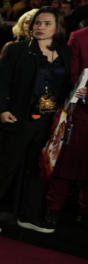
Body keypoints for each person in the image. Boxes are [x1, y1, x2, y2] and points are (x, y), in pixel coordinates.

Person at [0, 7, 73, 234]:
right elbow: (0, 82)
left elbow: (64, 85)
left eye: (46, 23)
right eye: (38, 23)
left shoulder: (65, 52)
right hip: (18, 116)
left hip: (47, 120)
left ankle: (28, 215)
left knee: (37, 170)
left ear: (57, 27)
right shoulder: (18, 50)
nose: (40, 27)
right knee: (6, 167)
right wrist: (2, 110)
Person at [45, 25, 88, 227]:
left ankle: (84, 209)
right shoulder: (79, 37)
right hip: (79, 110)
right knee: (66, 161)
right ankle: (54, 207)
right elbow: (71, 75)